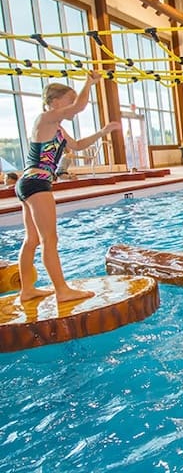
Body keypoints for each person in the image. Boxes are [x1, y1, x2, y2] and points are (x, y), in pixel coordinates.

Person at [15, 71, 121, 303]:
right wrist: (89, 83)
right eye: (69, 100)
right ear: (54, 102)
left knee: (32, 239)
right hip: (37, 182)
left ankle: (27, 290)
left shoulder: (58, 129)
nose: (73, 105)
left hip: (29, 181)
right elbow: (80, 107)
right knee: (49, 240)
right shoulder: (45, 118)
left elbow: (79, 145)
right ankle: (62, 290)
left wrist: (102, 132)